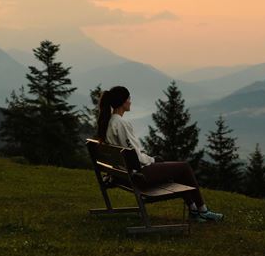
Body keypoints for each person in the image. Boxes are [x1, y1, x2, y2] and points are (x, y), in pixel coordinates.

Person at [96, 86, 224, 222]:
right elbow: (136, 157)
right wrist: (152, 160)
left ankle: (193, 209)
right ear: (122, 102)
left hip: (123, 174)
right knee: (184, 167)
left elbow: (129, 153)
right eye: (129, 98)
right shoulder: (121, 124)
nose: (130, 101)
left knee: (168, 166)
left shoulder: (110, 122)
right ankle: (202, 210)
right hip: (137, 175)